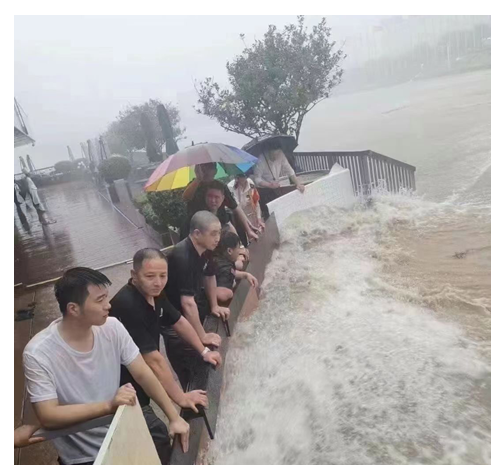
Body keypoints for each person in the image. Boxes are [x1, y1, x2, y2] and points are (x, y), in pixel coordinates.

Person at [22, 267, 190, 465]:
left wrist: (173, 417)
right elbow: (48, 415)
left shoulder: (112, 327)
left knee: (158, 436)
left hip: (125, 429)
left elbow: (143, 373)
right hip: (84, 455)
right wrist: (109, 405)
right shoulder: (38, 353)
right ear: (73, 309)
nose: (108, 305)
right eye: (100, 300)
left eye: (106, 297)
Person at [109, 248, 222, 463]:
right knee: (157, 436)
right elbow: (154, 361)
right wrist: (181, 398)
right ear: (134, 275)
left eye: (163, 275)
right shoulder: (128, 304)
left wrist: (204, 350)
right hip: (119, 387)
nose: (158, 282)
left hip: (140, 380)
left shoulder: (155, 294)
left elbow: (178, 321)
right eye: (150, 276)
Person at [162, 211, 230, 390]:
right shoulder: (182, 256)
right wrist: (202, 336)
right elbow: (187, 303)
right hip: (174, 322)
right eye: (213, 233)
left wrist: (215, 305)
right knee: (192, 368)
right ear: (197, 234)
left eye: (219, 233)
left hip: (188, 315)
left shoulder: (206, 250)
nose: (217, 238)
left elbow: (209, 275)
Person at [182, 162, 259, 242]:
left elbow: (235, 207)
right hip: (196, 229)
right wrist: (198, 179)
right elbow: (185, 197)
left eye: (210, 168)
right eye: (203, 168)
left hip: (219, 226)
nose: (206, 171)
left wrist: (248, 229)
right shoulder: (194, 185)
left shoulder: (220, 186)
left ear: (215, 170)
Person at [252, 140, 305, 218]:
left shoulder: (280, 154)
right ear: (268, 151)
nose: (275, 157)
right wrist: (269, 185)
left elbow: (290, 171)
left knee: (280, 211)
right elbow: (257, 179)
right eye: (273, 155)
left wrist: (298, 184)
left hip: (276, 187)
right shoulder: (261, 159)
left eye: (277, 154)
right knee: (268, 213)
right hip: (264, 189)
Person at [213, 231, 258, 304]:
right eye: (238, 248)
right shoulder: (225, 268)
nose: (239, 251)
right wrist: (229, 293)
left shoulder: (220, 258)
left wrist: (245, 275)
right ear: (229, 251)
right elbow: (222, 295)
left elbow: (232, 272)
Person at [227, 173, 265, 243]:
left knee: (258, 236)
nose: (243, 178)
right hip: (238, 217)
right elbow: (237, 208)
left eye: (244, 176)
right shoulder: (230, 187)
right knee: (245, 240)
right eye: (240, 176)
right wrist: (248, 225)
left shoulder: (250, 182)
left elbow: (256, 201)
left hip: (252, 213)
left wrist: (259, 218)